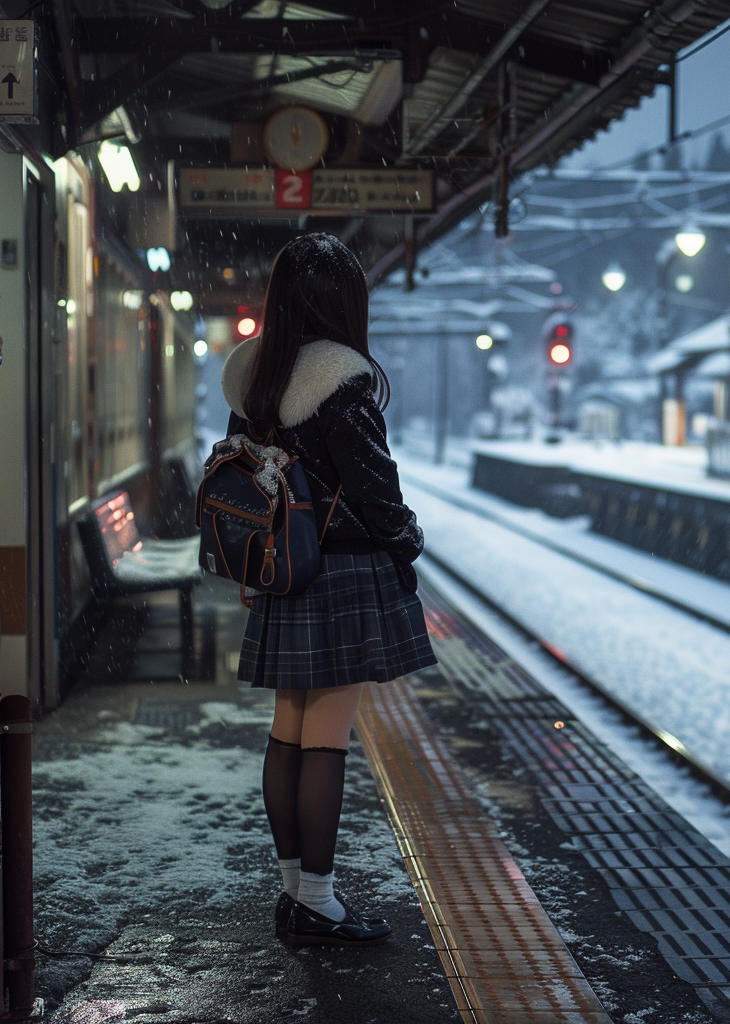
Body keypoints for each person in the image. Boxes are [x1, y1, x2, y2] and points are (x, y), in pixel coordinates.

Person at [220, 233, 437, 947]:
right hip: (342, 573)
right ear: (343, 302)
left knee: (288, 732)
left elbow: (246, 485)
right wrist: (406, 542)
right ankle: (317, 900)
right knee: (328, 740)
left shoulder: (254, 381)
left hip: (284, 571)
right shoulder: (341, 383)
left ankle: (295, 892)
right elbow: (376, 486)